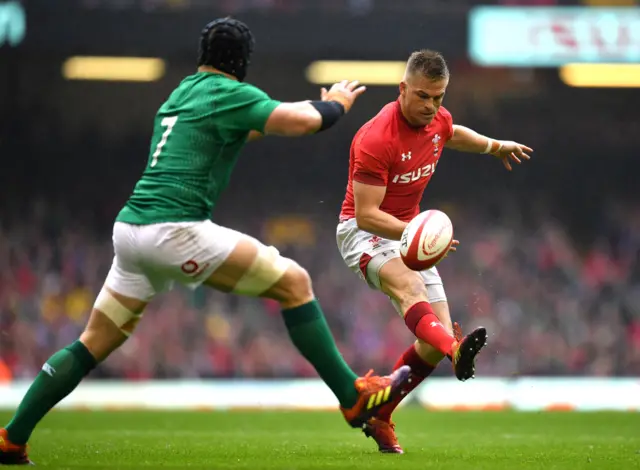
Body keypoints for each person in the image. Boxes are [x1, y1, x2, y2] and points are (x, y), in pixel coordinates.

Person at [0, 18, 412, 465]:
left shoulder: (180, 94)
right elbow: (303, 122)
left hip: (131, 233)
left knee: (91, 343)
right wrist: (333, 103)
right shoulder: (229, 93)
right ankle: (352, 397)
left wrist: (273, 119)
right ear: (242, 63)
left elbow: (235, 131)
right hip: (176, 230)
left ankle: (12, 437)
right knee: (294, 282)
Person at [336, 49, 533, 454]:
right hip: (364, 232)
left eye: (439, 97)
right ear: (403, 89)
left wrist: (495, 146)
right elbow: (369, 215)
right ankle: (456, 349)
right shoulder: (375, 138)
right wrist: (416, 231)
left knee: (431, 342)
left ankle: (380, 415)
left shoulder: (438, 119)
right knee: (412, 291)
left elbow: (452, 133)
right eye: (423, 96)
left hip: (409, 230)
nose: (432, 106)